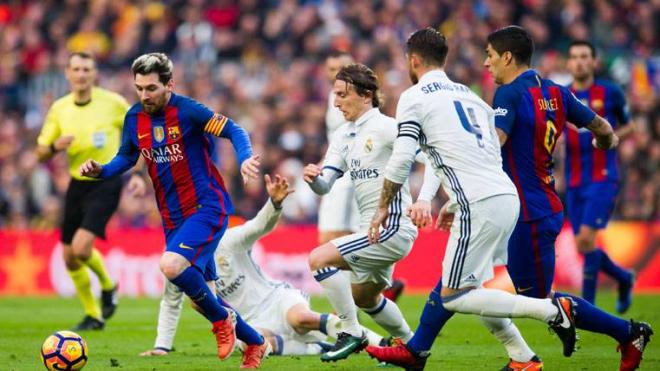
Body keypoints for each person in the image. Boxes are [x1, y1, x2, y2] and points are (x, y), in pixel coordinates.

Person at [365, 28, 578, 371]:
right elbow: (485, 152)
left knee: (455, 296)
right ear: (444, 59)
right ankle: (523, 359)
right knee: (472, 285)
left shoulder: (414, 97)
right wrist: (452, 200)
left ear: (413, 60)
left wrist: (381, 208)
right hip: (504, 196)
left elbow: (404, 158)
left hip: (479, 203)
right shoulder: (471, 96)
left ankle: (552, 311)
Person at [79, 52, 269, 368]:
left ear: (170, 84)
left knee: (170, 266)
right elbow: (126, 157)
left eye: (151, 88)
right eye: (139, 88)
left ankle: (223, 323)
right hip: (173, 217)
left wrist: (245, 156)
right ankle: (255, 342)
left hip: (207, 206)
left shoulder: (190, 111)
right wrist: (101, 170)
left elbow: (234, 129)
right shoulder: (134, 118)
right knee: (201, 298)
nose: (144, 95)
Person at [483, 26, 651, 370]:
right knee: (525, 297)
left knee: (537, 301)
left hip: (526, 211)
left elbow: (492, 145)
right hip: (540, 204)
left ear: (507, 57)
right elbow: (603, 128)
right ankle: (527, 355)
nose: (486, 64)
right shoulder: (558, 93)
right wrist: (605, 144)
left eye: (490, 55)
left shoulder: (508, 94)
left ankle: (628, 331)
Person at [139, 174, 383, 357]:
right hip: (248, 322)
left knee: (300, 318)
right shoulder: (177, 262)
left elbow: (258, 226)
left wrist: (274, 205)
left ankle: (379, 345)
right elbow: (170, 302)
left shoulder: (228, 240)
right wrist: (162, 346)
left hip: (275, 300)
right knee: (252, 346)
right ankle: (317, 347)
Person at [303, 62, 445, 362]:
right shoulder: (343, 136)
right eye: (334, 94)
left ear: (366, 95)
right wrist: (315, 179)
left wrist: (423, 200)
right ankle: (413, 349)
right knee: (365, 297)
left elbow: (433, 159)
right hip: (372, 230)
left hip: (392, 228)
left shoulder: (388, 127)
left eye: (342, 94)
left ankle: (351, 332)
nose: (336, 102)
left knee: (318, 259)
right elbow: (326, 185)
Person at [36, 52, 133, 331]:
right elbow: (41, 152)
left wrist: (137, 174)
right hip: (77, 183)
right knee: (69, 256)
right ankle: (94, 315)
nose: (81, 74)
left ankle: (108, 285)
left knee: (80, 247)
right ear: (67, 73)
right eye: (76, 69)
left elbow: (137, 133)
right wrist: (55, 147)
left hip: (107, 180)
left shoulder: (113, 103)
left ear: (94, 74)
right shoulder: (60, 108)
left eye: (86, 69)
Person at [564, 40, 635, 310]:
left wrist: (610, 137)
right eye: (574, 57)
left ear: (594, 61)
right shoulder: (562, 95)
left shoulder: (610, 92)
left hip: (603, 176)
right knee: (583, 246)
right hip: (573, 180)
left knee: (585, 239)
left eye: (584, 57)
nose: (579, 62)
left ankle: (587, 309)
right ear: (568, 63)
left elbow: (629, 126)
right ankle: (624, 277)